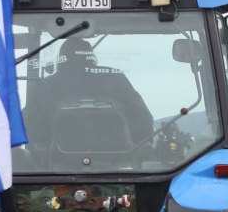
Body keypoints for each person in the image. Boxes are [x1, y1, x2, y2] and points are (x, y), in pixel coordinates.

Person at [25, 38, 154, 154]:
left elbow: (29, 126)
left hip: (54, 166)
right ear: (91, 56)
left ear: (61, 58)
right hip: (119, 162)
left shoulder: (45, 86)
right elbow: (144, 119)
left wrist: (43, 147)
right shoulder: (115, 78)